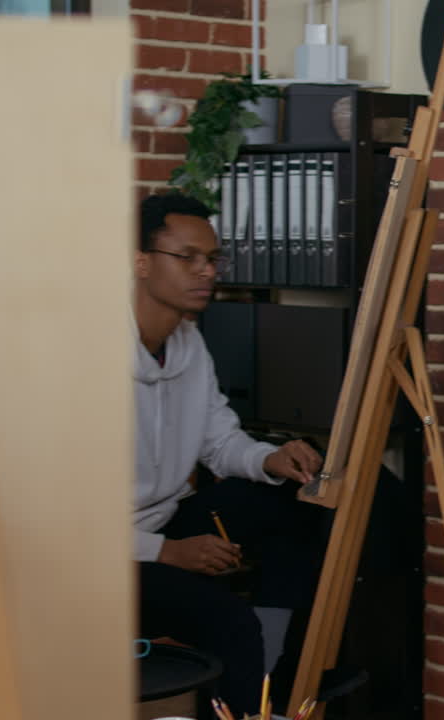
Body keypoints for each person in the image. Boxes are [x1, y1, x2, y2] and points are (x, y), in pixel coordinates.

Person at [133, 192, 326, 714]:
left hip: (162, 523)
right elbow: (56, 520)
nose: (206, 271)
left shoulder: (188, 344)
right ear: (141, 261)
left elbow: (220, 443)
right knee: (228, 619)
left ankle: (265, 683)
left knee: (296, 499)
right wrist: (169, 554)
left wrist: (269, 459)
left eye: (212, 258)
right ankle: (246, 703)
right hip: (95, 557)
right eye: (187, 257)